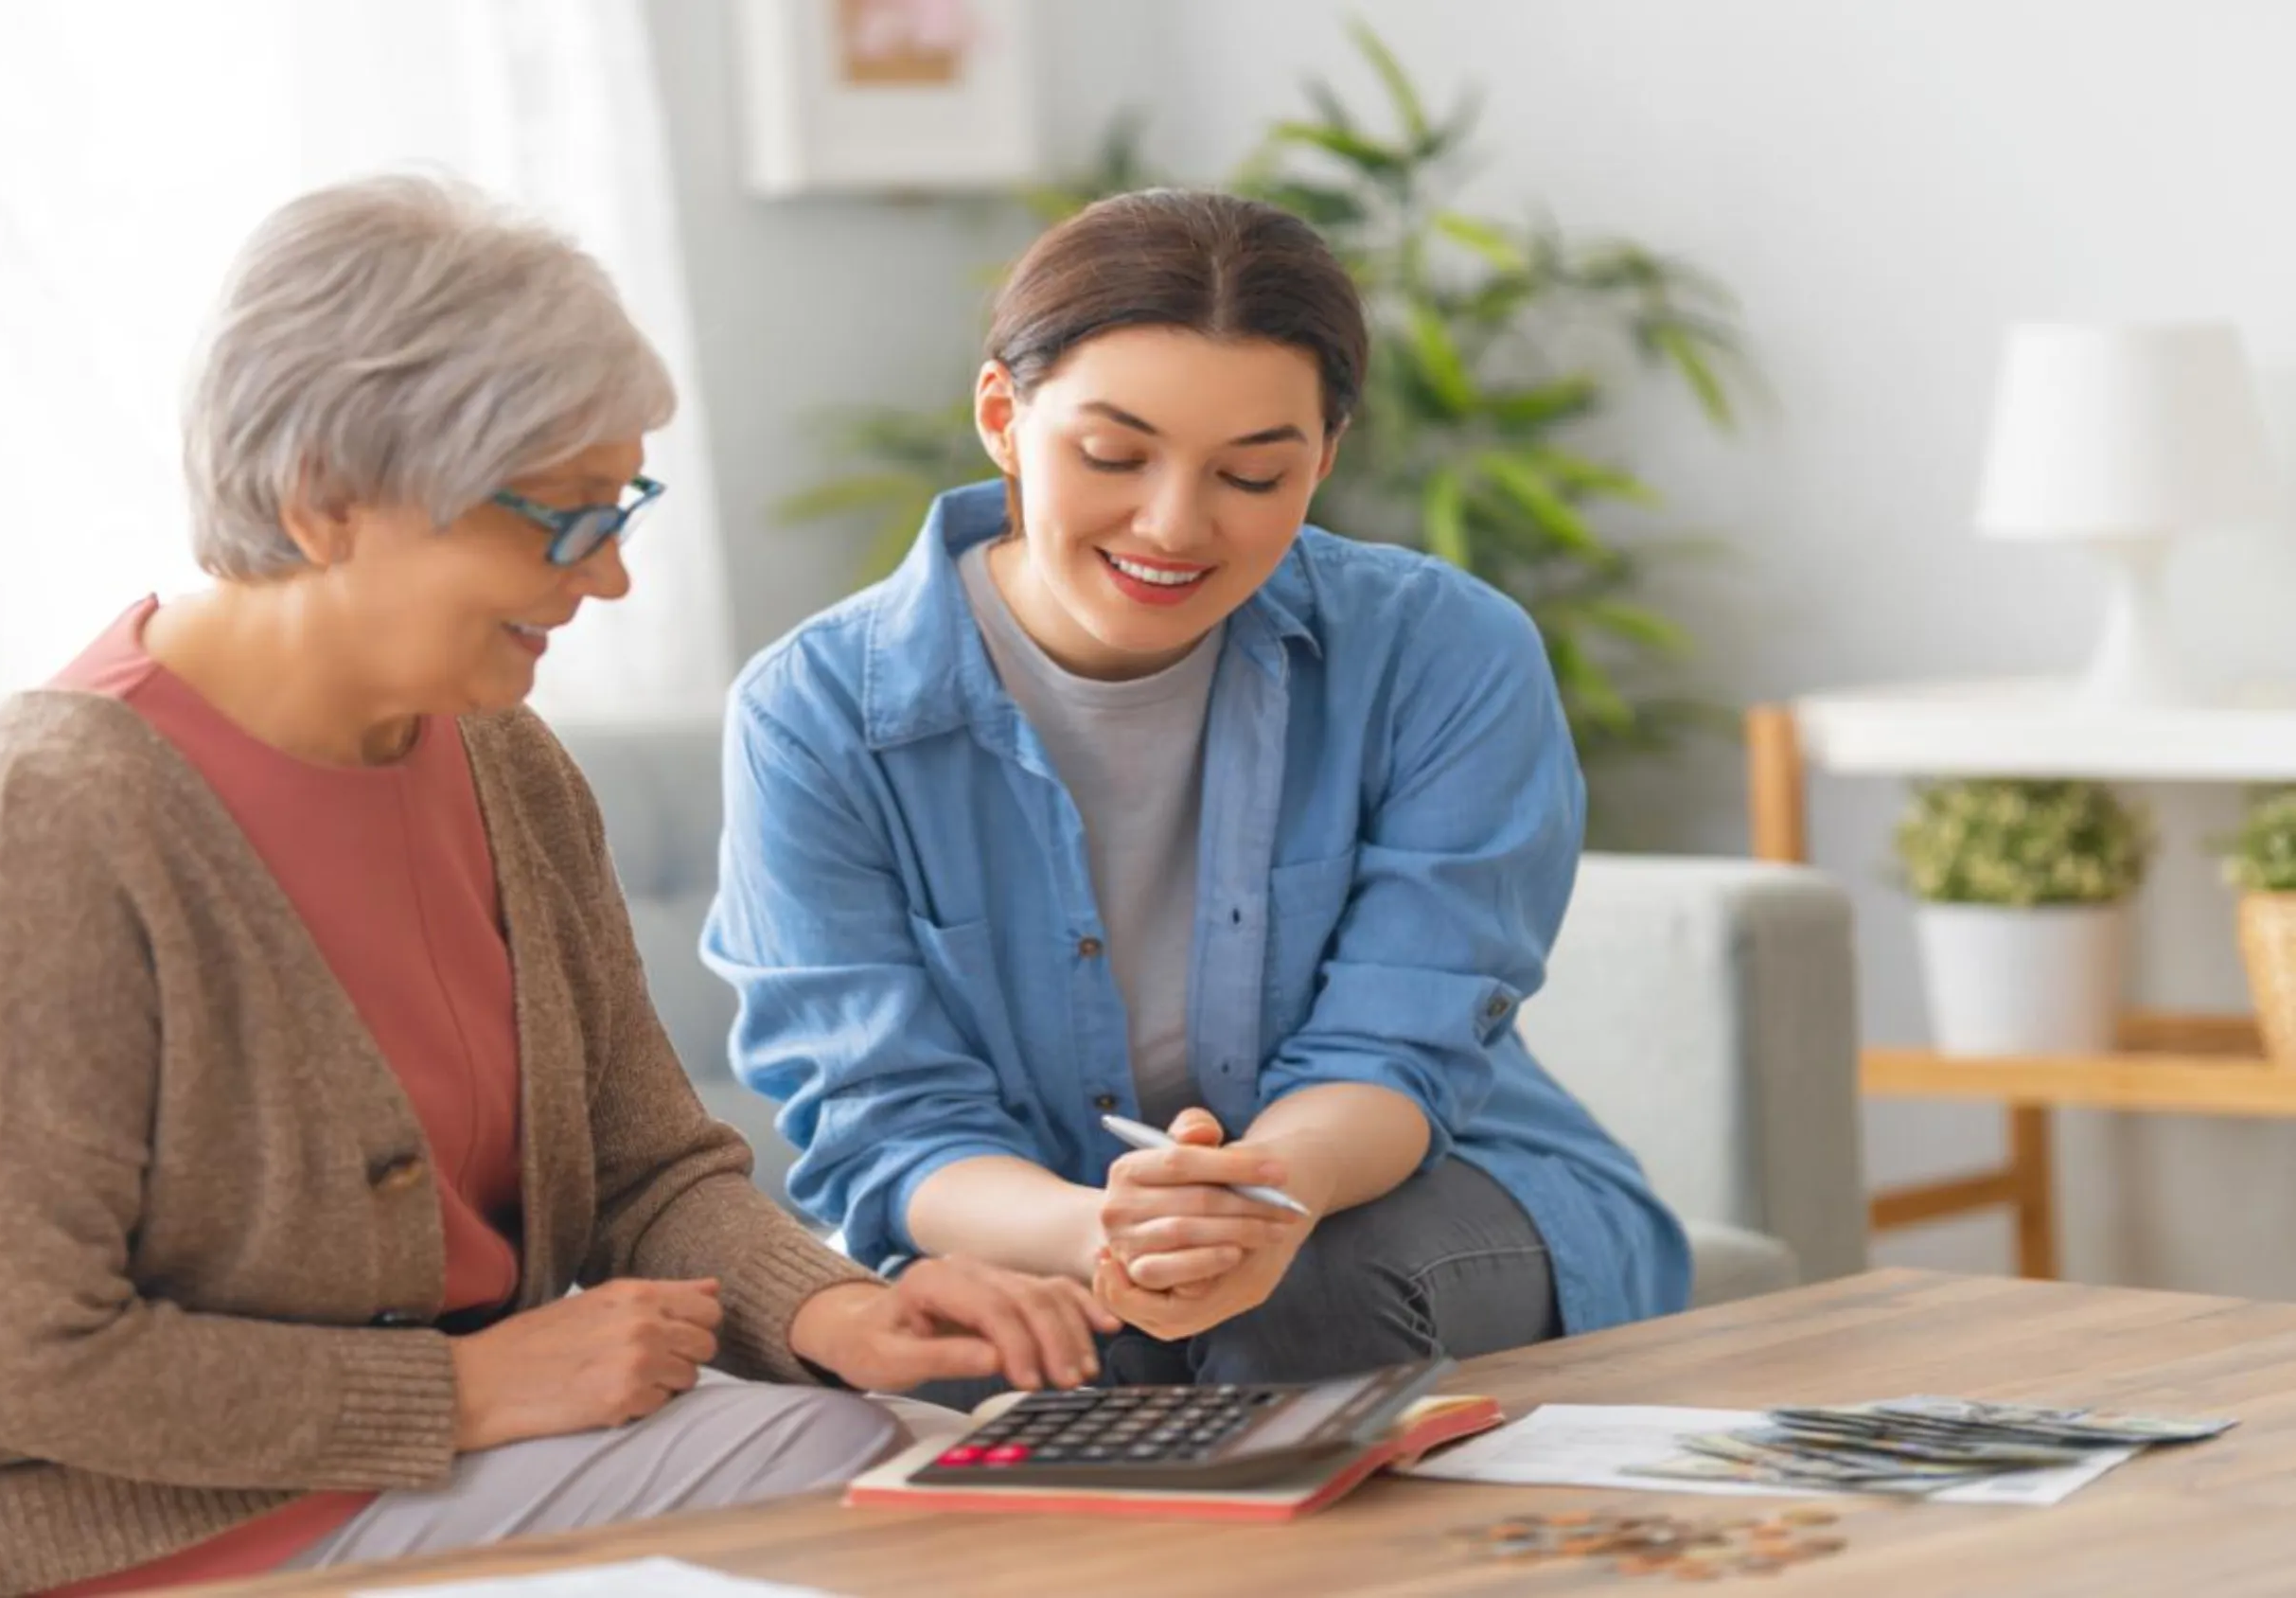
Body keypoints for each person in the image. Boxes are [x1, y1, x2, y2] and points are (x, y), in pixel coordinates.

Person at [0, 174, 1110, 1598]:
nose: (612, 582)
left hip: (401, 1456)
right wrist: (463, 1396)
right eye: (563, 520)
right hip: (57, 1497)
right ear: (325, 501)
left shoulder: (504, 759)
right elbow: (1, 1354)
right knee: (922, 1513)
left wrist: (835, 1306)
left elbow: (646, 1171)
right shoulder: (48, 811)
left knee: (926, 1458)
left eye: (622, 508)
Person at [704, 188, 1690, 1400]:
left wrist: (1261, 1199)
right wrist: (1101, 1236)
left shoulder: (1445, 651)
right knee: (1008, 1357)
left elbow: (1401, 1043)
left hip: (1406, 1190)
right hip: (1028, 1220)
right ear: (1003, 416)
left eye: (1254, 474)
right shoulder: (815, 714)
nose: (1174, 524)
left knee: (1307, 1304)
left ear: (1324, 457)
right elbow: (883, 1119)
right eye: (1113, 456)